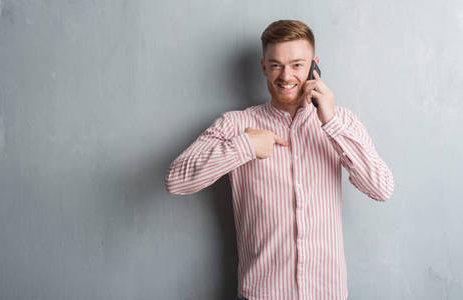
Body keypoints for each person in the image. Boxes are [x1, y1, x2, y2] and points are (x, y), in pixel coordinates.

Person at [164, 20, 394, 300]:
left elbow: (381, 188)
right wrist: (245, 146)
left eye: (297, 64)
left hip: (327, 293)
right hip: (262, 294)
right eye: (276, 65)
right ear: (263, 67)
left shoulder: (342, 120)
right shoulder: (236, 124)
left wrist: (331, 123)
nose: (286, 76)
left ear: (314, 66)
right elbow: (176, 180)